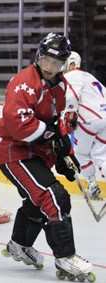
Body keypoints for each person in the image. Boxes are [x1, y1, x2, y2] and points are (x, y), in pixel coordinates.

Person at [0, 33, 94, 281]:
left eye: (57, 63)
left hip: (34, 153)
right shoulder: (24, 82)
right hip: (13, 152)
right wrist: (50, 135)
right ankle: (65, 257)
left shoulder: (61, 87)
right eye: (47, 60)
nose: (51, 67)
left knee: (43, 202)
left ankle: (19, 244)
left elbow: (58, 123)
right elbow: (17, 123)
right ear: (39, 56)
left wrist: (65, 154)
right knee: (54, 196)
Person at [63, 51, 105, 200]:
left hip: (88, 121)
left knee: (81, 153)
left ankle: (93, 185)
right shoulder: (90, 77)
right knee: (101, 155)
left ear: (71, 63)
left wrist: (70, 114)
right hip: (104, 118)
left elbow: (71, 95)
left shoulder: (70, 76)